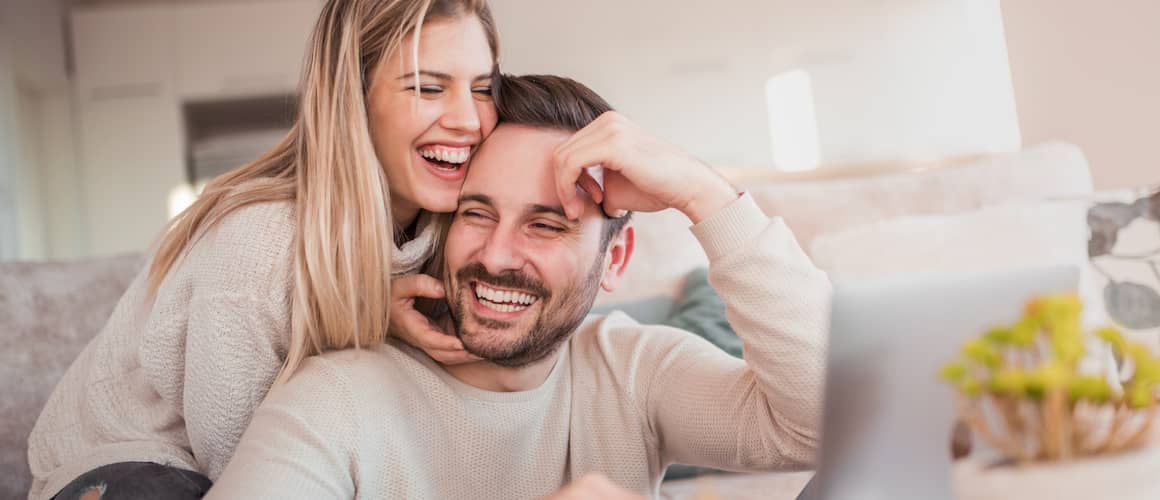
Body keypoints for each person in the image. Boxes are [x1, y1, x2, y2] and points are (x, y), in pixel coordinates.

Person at [206, 74, 831, 499]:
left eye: (547, 224)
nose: (498, 255)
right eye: (476, 214)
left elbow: (820, 423)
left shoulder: (633, 369)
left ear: (617, 259)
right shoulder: (335, 401)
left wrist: (706, 194)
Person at [27, 1, 500, 499]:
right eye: (428, 87)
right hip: (127, 465)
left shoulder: (448, 227)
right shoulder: (261, 242)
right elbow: (249, 474)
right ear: (354, 98)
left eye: (483, 89)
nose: (469, 119)